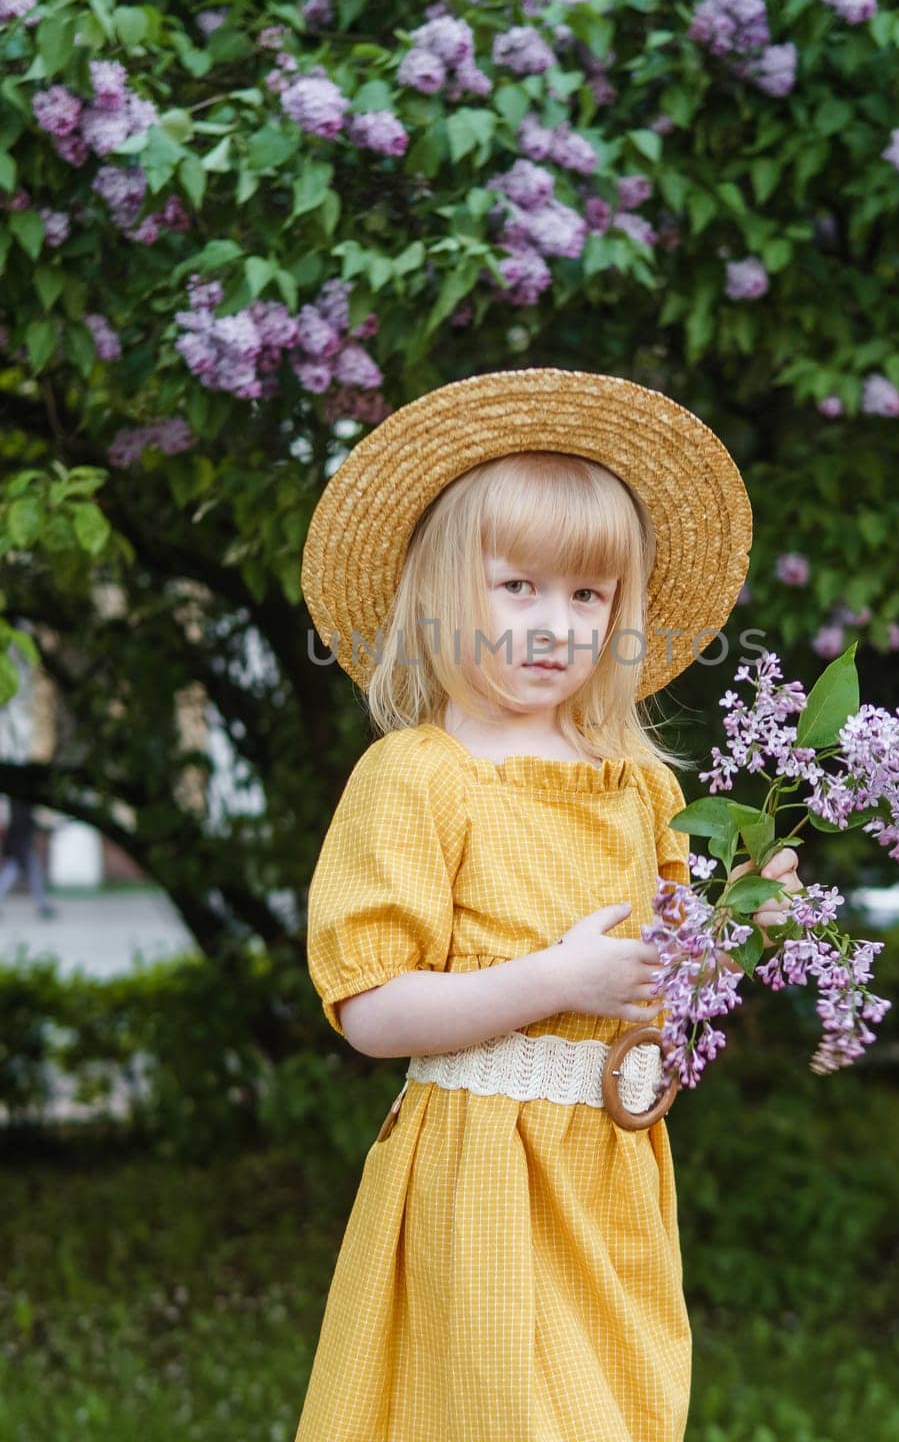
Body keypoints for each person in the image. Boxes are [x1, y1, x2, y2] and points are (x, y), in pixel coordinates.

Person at [295, 367, 802, 1442]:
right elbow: (372, 1010)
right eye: (516, 586)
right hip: (479, 1170)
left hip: (608, 1175)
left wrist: (735, 928)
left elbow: (662, 987)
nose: (553, 625)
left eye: (587, 597)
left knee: (611, 1415)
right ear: (443, 591)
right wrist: (552, 981)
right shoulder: (418, 775)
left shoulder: (638, 785)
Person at [0, 798, 58, 919]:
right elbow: (24, 822)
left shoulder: (17, 802)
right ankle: (42, 906)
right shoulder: (22, 802)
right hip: (21, 846)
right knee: (13, 875)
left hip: (19, 844)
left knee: (31, 874)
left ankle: (42, 905)